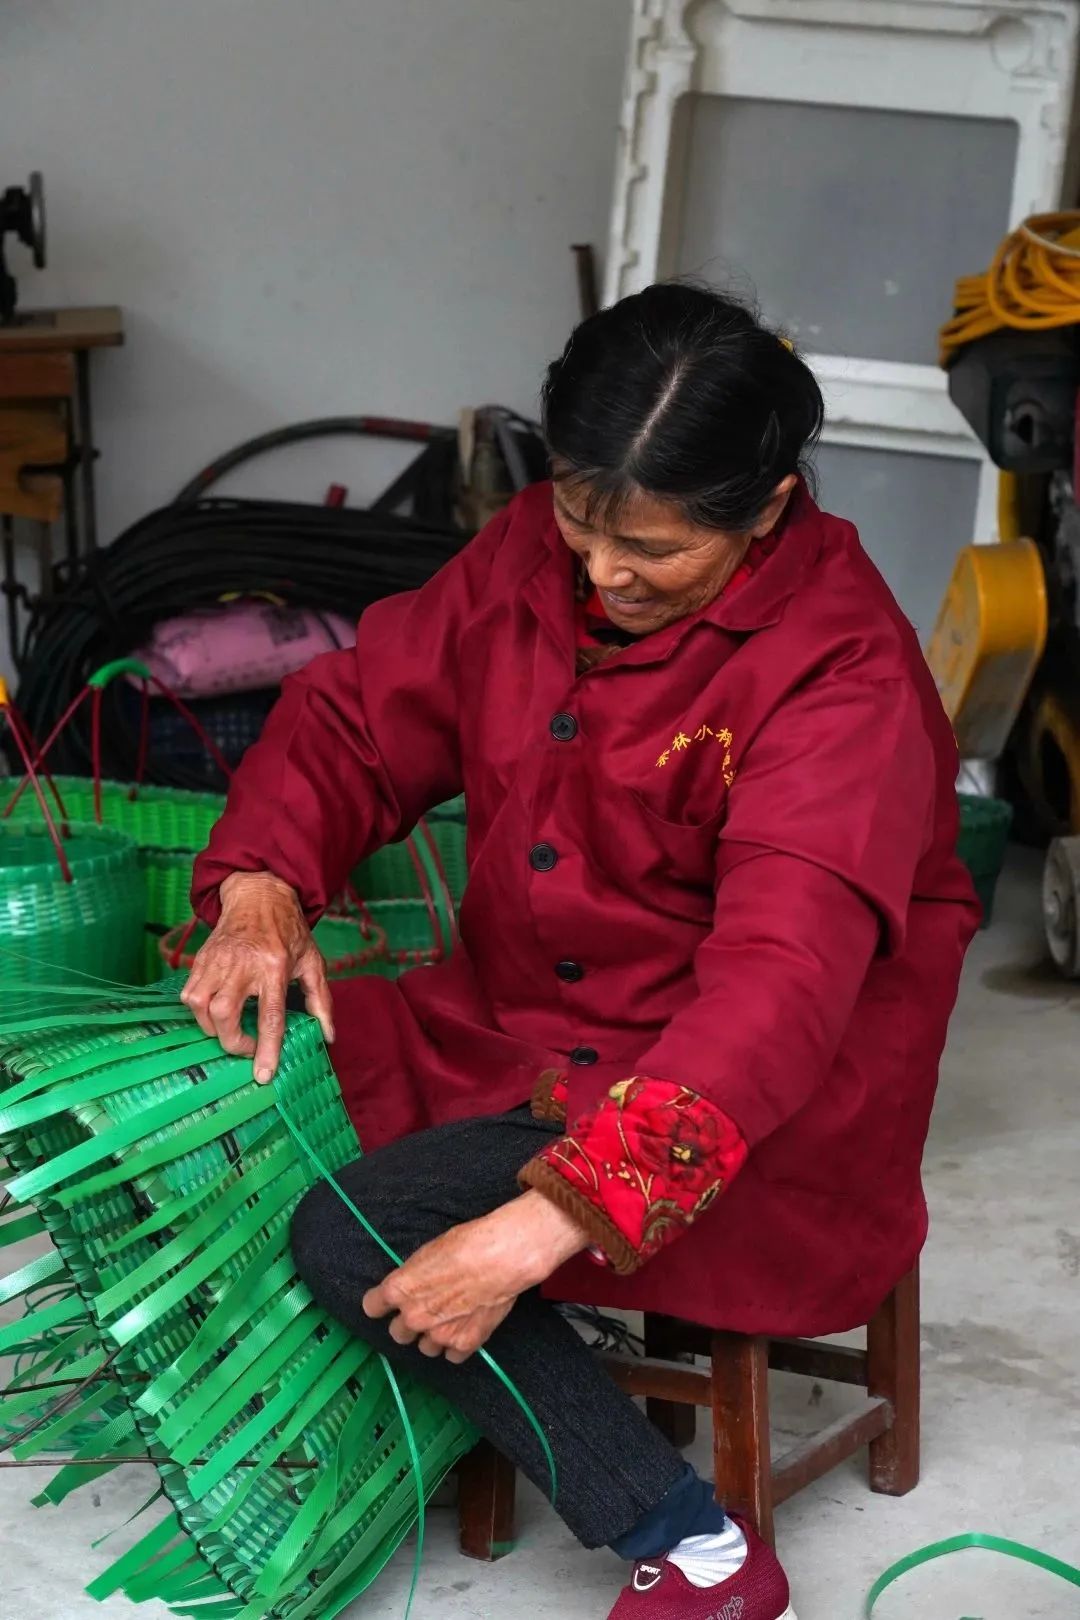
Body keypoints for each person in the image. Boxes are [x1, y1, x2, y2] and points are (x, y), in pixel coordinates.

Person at [186, 283, 979, 1620]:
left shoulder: (841, 677)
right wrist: (263, 880)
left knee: (355, 1227)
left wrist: (542, 1225)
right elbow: (361, 721)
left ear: (768, 510)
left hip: (744, 1098)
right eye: (577, 520)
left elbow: (778, 995)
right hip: (520, 1031)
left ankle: (701, 1549)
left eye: (652, 549)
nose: (603, 573)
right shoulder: (533, 554)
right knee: (228, 1055)